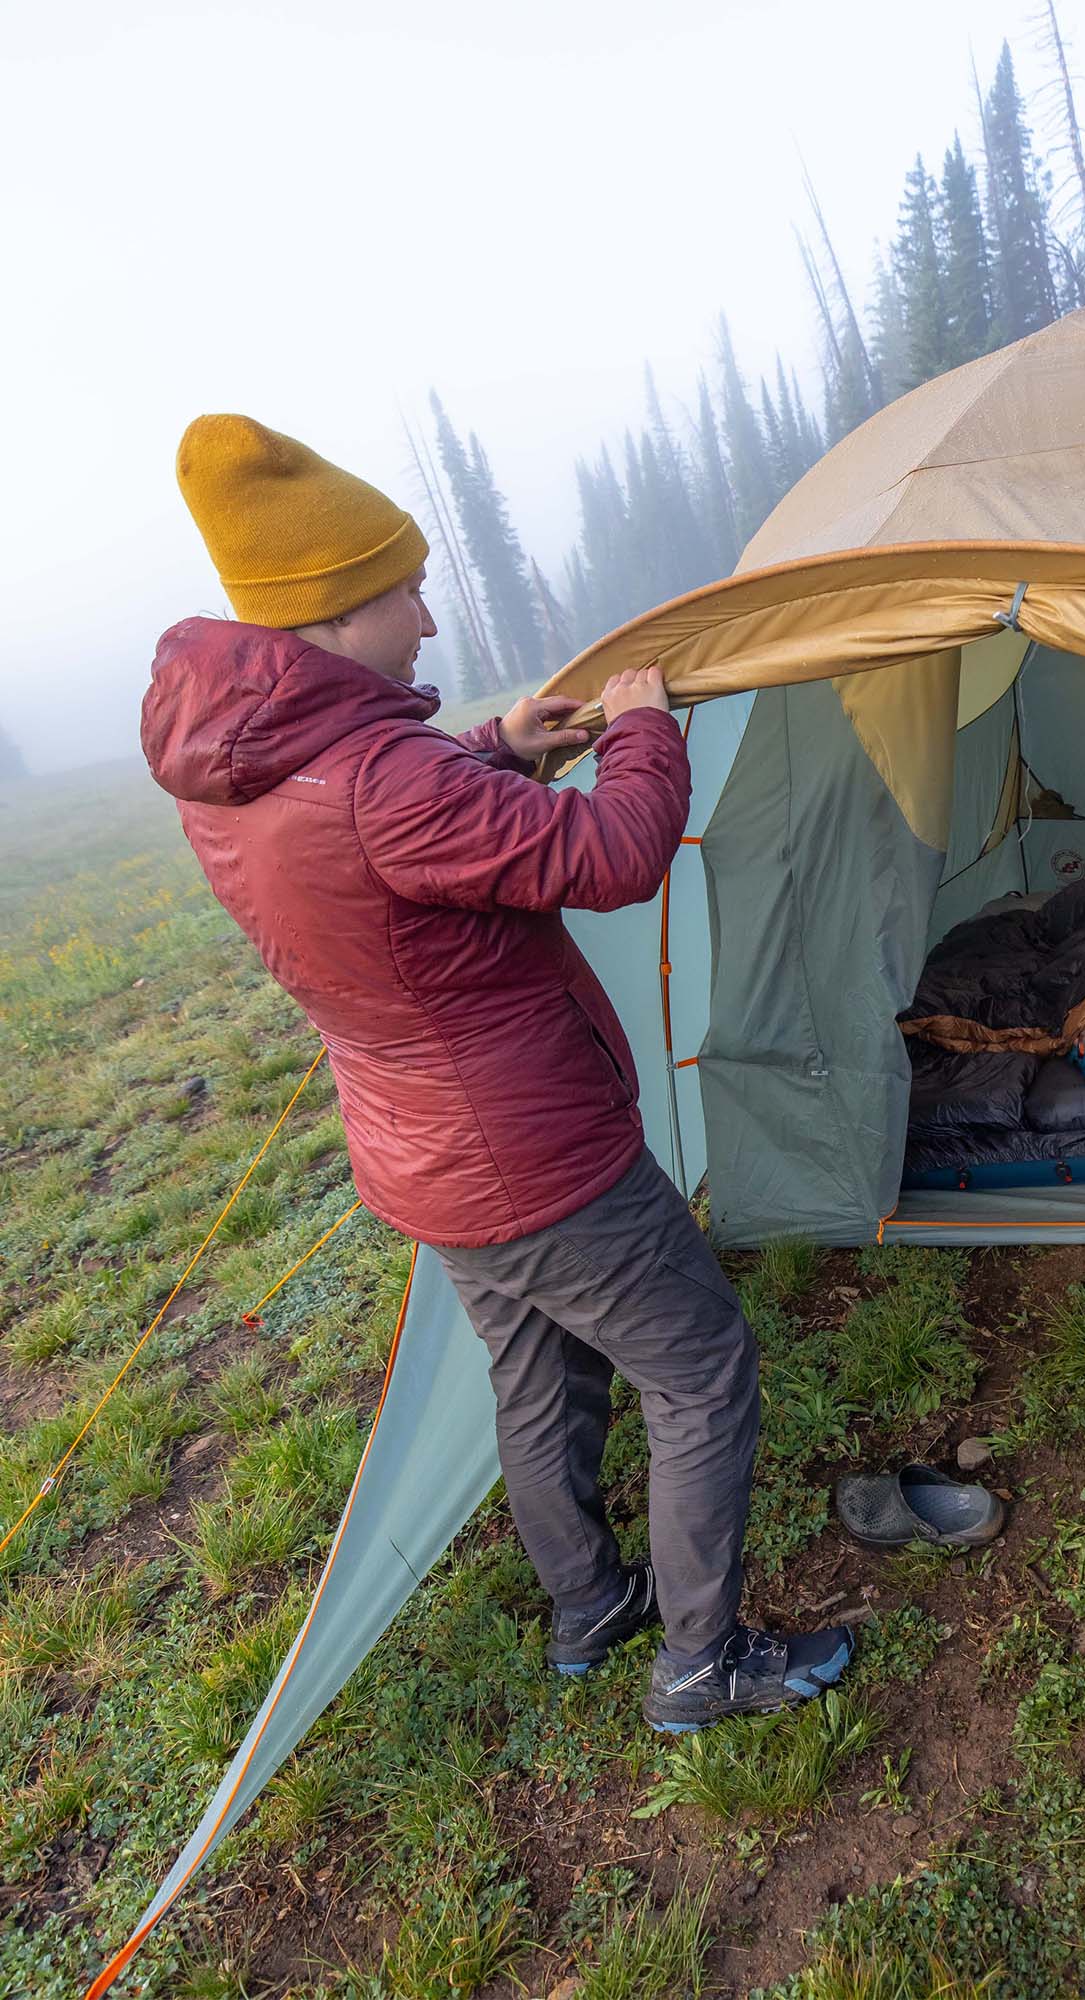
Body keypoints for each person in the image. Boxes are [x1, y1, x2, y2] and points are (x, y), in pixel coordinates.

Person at [141, 414, 850, 1731]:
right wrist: (645, 730)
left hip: (425, 1158)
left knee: (539, 1377)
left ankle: (591, 1609)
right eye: (402, 591)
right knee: (699, 1373)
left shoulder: (238, 768)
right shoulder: (373, 778)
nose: (423, 617)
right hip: (535, 1156)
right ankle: (701, 1662)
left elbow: (377, 824)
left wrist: (496, 752)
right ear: (335, 613)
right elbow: (613, 857)